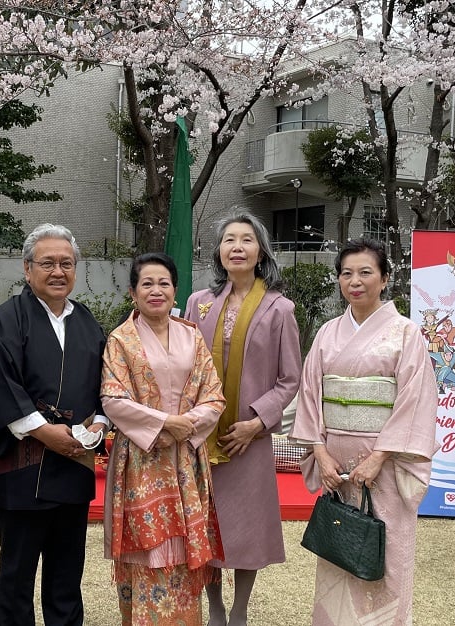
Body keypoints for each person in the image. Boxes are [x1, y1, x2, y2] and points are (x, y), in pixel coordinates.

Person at [290, 238, 438, 625]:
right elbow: (310, 394)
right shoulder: (326, 333)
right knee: (340, 549)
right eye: (346, 273)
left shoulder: (406, 334)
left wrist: (378, 458)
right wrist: (319, 454)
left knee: (384, 552)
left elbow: (414, 401)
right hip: (336, 465)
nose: (354, 281)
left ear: (385, 279)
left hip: (385, 466)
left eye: (365, 272)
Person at [0, 223, 107, 626]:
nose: (58, 271)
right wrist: (41, 429)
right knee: (17, 574)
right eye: (47, 263)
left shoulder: (87, 323)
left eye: (66, 263)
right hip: (24, 464)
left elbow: (107, 383)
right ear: (27, 269)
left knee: (67, 573)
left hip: (74, 462)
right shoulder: (7, 319)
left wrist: (99, 422)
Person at [185, 211, 301, 626]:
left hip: (248, 437)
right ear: (218, 252)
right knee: (209, 524)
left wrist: (257, 422)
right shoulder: (199, 303)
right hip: (202, 435)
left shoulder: (279, 308)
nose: (237, 246)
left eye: (246, 239)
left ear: (260, 250)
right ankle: (214, 607)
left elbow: (290, 379)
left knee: (247, 528)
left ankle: (240, 610)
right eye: (229, 239)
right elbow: (186, 366)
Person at [101, 252, 226, 624]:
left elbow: (214, 393)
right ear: (132, 293)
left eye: (164, 283)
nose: (156, 291)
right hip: (141, 458)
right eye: (147, 284)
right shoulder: (120, 339)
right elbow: (113, 398)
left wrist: (188, 424)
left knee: (184, 552)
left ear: (176, 290)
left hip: (185, 456)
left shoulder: (191, 335)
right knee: (148, 548)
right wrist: (165, 423)